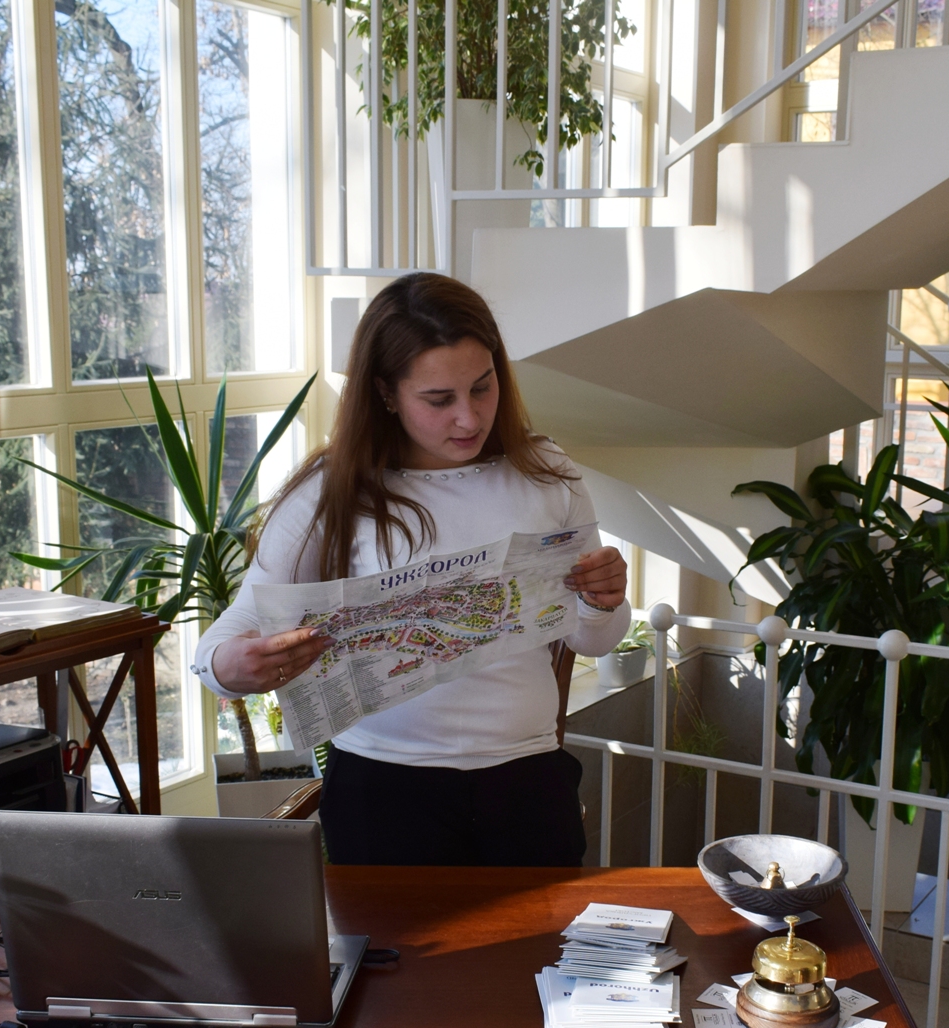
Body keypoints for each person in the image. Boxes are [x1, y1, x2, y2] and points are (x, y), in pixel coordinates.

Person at [193, 274, 630, 866]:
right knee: (388, 933)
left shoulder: (546, 472)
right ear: (386, 392)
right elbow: (231, 632)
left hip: (527, 780)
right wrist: (229, 666)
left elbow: (594, 640)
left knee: (541, 933)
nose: (469, 418)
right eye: (439, 399)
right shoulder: (330, 493)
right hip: (383, 789)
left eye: (483, 387)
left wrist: (603, 602)